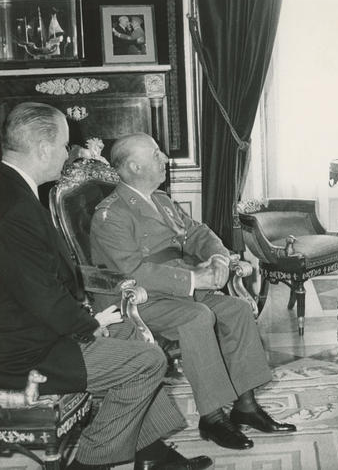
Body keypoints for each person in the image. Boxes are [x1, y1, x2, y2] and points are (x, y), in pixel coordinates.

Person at [0, 103, 210, 470]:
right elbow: (40, 294)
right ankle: (90, 462)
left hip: (29, 331)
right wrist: (89, 326)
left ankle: (151, 454)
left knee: (129, 334)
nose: (69, 153)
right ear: (44, 149)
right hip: (25, 353)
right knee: (148, 360)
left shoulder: (11, 188)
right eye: (65, 145)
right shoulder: (15, 205)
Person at [90, 133, 296, 451]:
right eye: (156, 154)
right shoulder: (111, 214)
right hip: (137, 299)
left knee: (237, 310)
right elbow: (132, 272)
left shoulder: (160, 200)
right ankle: (211, 417)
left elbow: (197, 233)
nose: (165, 158)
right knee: (197, 316)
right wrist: (194, 279)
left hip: (175, 291)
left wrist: (219, 257)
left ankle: (246, 406)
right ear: (133, 166)